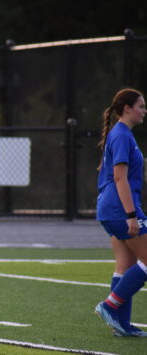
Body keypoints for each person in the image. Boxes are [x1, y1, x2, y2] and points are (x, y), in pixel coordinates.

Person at [94, 88, 147, 337]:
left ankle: (122, 326)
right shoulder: (122, 135)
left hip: (112, 208)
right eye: (141, 106)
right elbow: (119, 177)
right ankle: (110, 305)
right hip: (119, 210)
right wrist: (131, 215)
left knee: (125, 266)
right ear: (127, 109)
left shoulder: (121, 134)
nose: (144, 111)